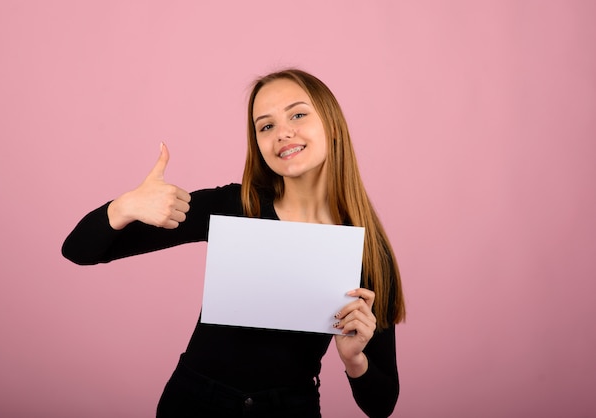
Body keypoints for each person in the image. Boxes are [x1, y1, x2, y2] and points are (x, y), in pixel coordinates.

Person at [62, 68, 405, 418]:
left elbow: (382, 405)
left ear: (332, 126)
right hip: (195, 403)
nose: (283, 133)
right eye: (266, 126)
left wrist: (354, 360)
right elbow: (79, 250)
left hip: (290, 409)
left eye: (298, 114)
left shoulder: (367, 252)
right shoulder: (233, 207)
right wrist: (125, 207)